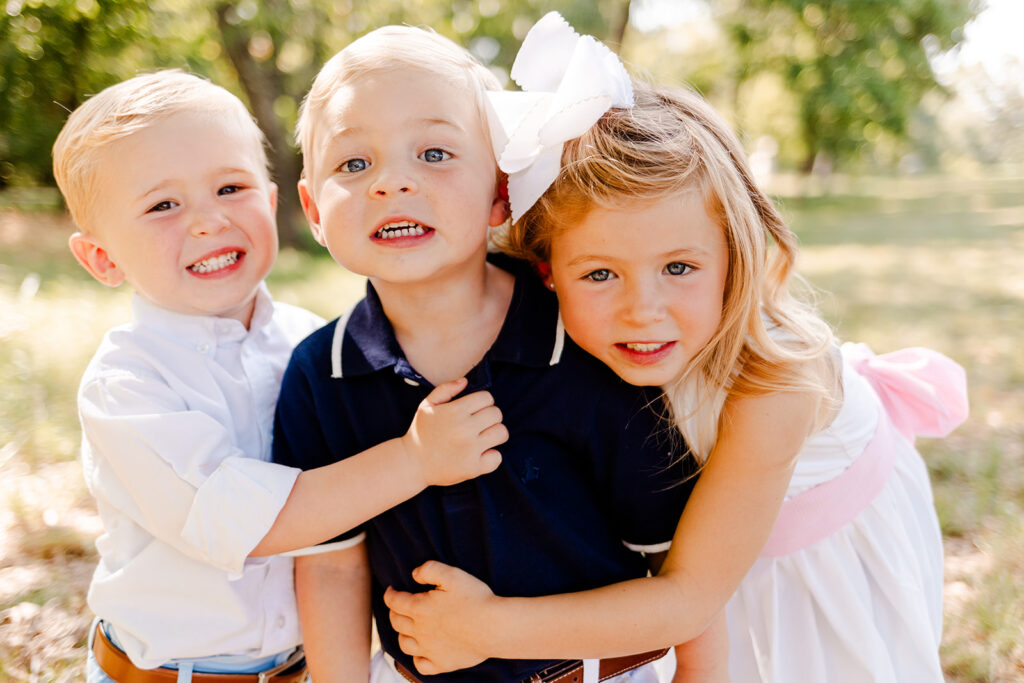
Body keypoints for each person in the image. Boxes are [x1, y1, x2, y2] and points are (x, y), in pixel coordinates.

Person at [382, 12, 969, 683]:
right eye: (600, 273)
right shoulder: (555, 337)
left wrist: (488, 627)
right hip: (705, 564)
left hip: (812, 555)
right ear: (547, 271)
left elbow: (691, 595)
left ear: (733, 258)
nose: (642, 310)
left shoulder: (776, 385)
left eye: (680, 268)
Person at [270, 23, 698, 683]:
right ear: (313, 210)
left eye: (435, 153)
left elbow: (676, 565)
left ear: (502, 186)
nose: (391, 183)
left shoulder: (582, 341)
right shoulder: (320, 373)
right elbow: (330, 564)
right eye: (355, 164)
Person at [53, 69, 508, 683]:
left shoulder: (314, 345)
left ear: (271, 202)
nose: (209, 221)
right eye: (164, 205)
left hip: (304, 665)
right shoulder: (128, 387)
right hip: (169, 672)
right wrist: (416, 461)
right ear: (102, 258)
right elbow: (252, 524)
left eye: (230, 187)